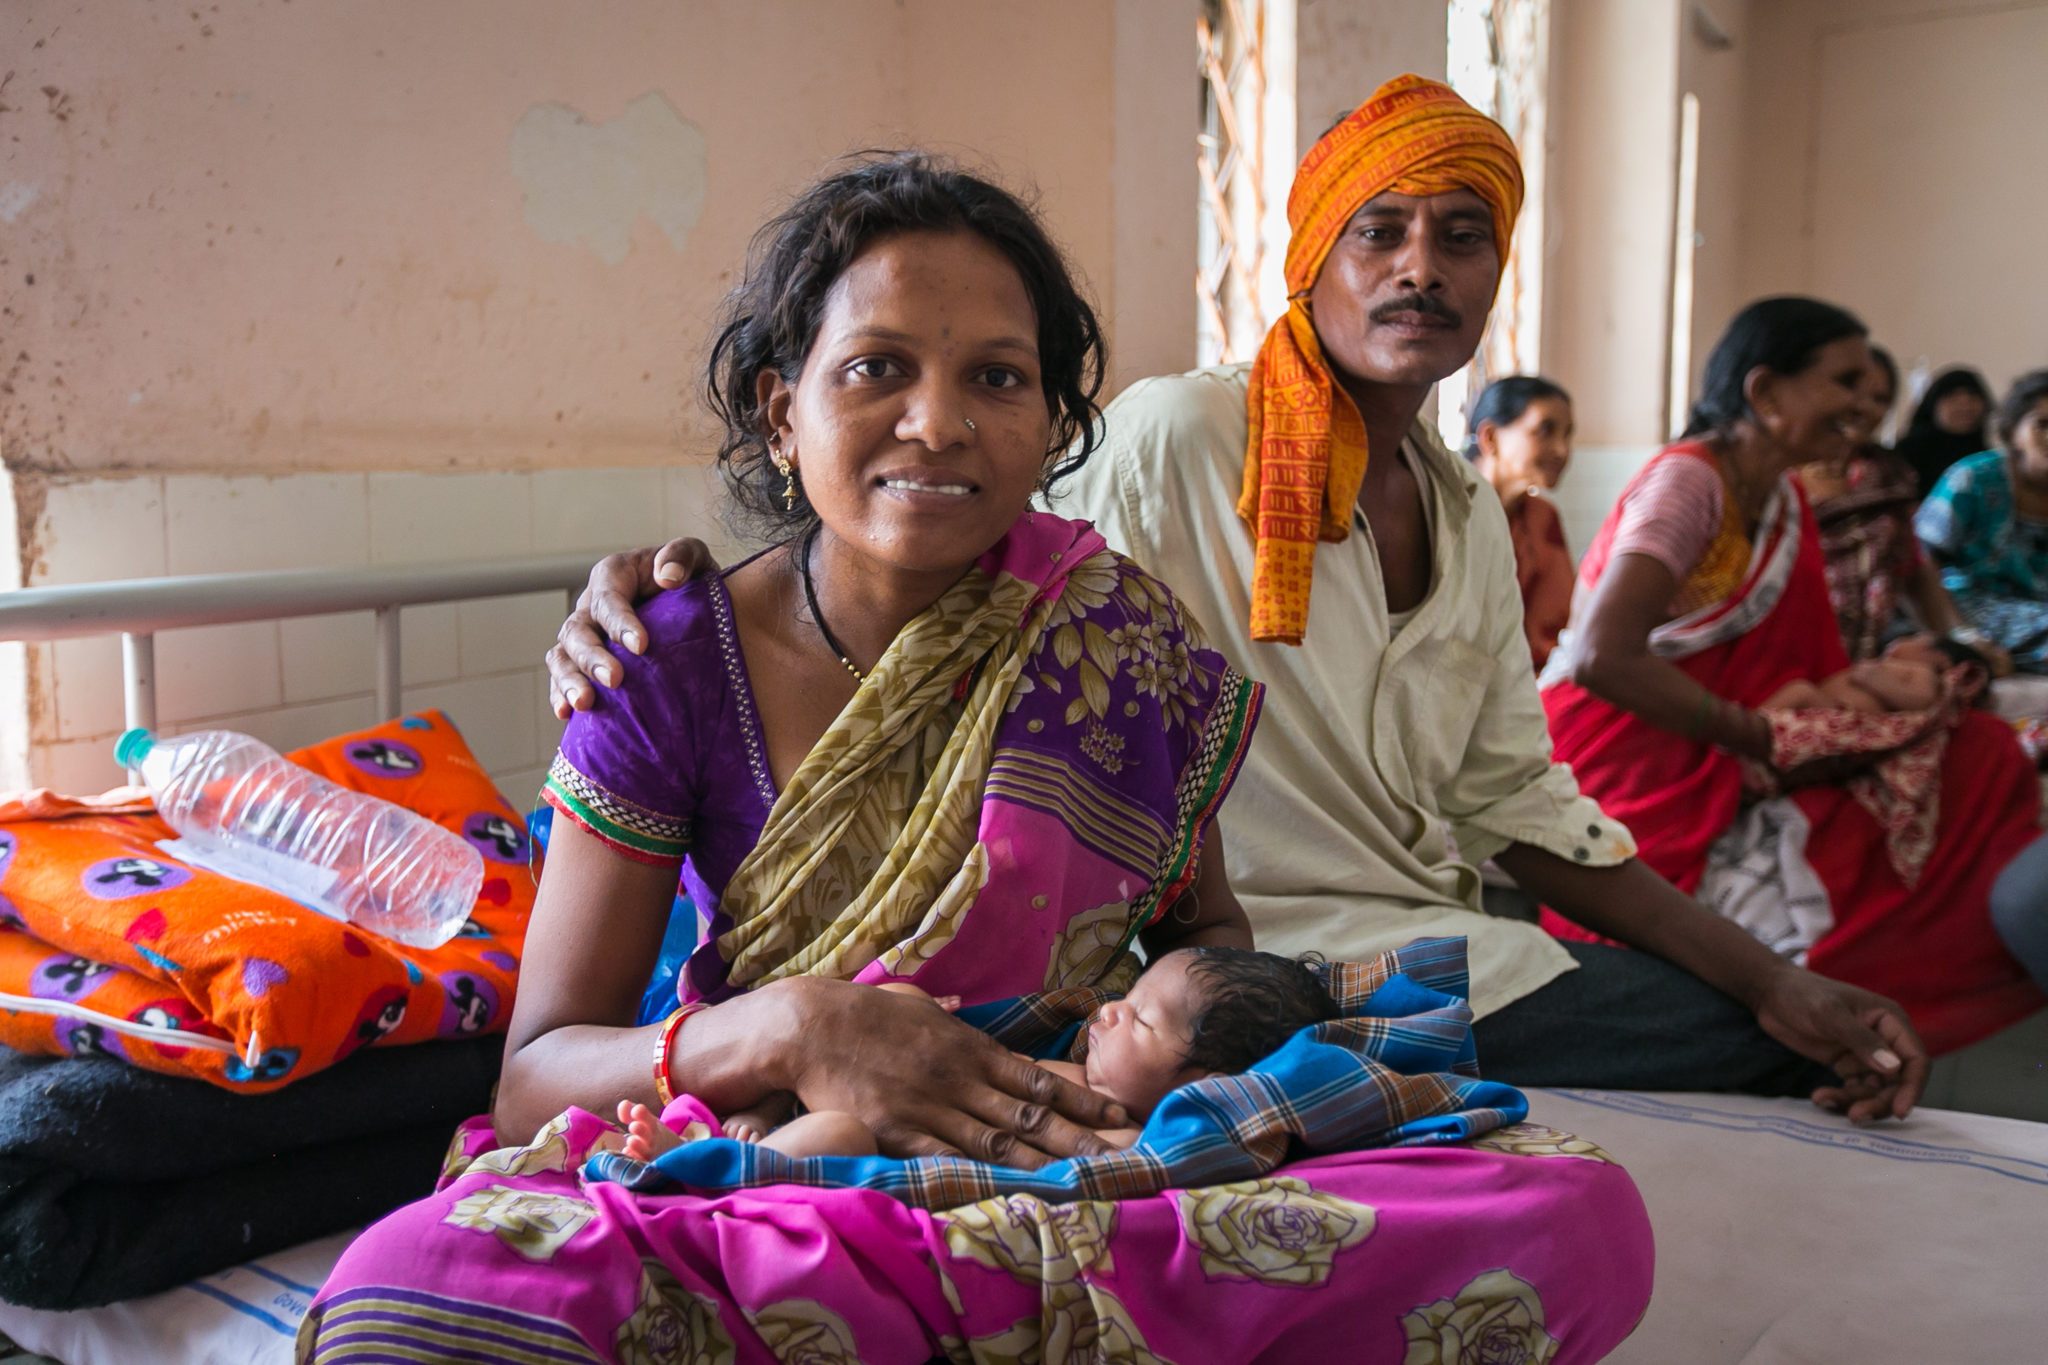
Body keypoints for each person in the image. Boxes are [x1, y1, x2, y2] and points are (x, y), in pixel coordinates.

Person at [305, 154, 1651, 1363]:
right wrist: (803, 1026)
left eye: (997, 379)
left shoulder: (1119, 637)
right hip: (787, 1168)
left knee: (1570, 1212)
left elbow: (1206, 935)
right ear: (781, 412)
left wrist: (1159, 1095)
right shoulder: (666, 662)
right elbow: (535, 1077)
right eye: (874, 368)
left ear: (1053, 426)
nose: (937, 423)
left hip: (1060, 1162)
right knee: (418, 1289)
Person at [556, 78, 1929, 1122]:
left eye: (1462, 238)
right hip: (1200, 985)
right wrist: (682, 604)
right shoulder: (1179, 441)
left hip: (1272, 987)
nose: (1420, 270)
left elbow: (1508, 799)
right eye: (1378, 231)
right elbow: (948, 572)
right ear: (1310, 253)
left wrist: (1770, 977)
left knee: (1651, 1114)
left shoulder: (1450, 517)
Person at [1541, 296, 2047, 1055]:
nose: (1865, 406)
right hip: (1634, 760)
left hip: (1724, 743)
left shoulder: (1779, 497)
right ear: (1767, 392)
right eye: (1845, 383)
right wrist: (1757, 734)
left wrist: (1851, 706)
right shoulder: (1689, 484)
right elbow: (1601, 658)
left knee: (1976, 749)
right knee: (1940, 792)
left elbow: (1807, 660)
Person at [613, 947, 1338, 1160]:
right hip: (862, 1073)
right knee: (897, 998)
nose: (1112, 1009)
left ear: (1204, 1083)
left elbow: (1120, 1162)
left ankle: (707, 1160)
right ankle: (766, 1107)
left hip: (871, 1136)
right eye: (1131, 994)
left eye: (1143, 1019)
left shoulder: (1133, 1134)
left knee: (839, 1134)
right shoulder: (1068, 1056)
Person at [1796, 346, 2005, 668]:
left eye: (1879, 398)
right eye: (1849, 389)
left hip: (1865, 643)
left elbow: (1914, 564)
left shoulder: (1888, 474)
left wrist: (1959, 637)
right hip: (1789, 646)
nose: (1862, 407)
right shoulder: (1780, 473)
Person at [1915, 369, 2048, 674]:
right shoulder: (1974, 478)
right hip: (1970, 608)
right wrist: (1959, 632)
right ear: (2013, 432)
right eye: (2042, 424)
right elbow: (1919, 558)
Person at [1465, 375, 1577, 668]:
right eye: (1545, 431)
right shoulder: (1451, 508)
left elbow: (1557, 624)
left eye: (1567, 435)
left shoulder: (1543, 517)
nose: (1562, 450)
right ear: (1490, 437)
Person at [1762, 634, 1987, 715]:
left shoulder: (1925, 674)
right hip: (1827, 709)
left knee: (1800, 691)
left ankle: (1749, 731)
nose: (1899, 640)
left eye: (1913, 637)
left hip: (1843, 717)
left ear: (1940, 658)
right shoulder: (1888, 665)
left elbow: (1925, 703)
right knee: (1799, 691)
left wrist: (1879, 683)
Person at [1896, 365, 1993, 493]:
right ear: (1933, 405)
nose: (1964, 405)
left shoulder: (1987, 457)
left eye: (1972, 397)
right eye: (1953, 398)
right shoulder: (1907, 453)